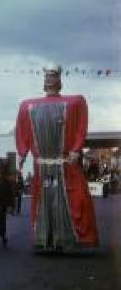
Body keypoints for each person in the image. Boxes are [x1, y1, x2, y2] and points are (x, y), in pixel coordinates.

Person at [15, 64, 98, 252]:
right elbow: (23, 130)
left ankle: (67, 239)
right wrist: (22, 151)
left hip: (65, 163)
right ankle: (46, 238)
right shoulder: (28, 106)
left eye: (53, 76)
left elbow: (80, 127)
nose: (49, 79)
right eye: (47, 76)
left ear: (59, 80)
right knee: (44, 201)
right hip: (42, 165)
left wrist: (76, 149)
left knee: (74, 199)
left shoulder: (75, 102)